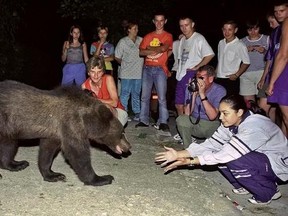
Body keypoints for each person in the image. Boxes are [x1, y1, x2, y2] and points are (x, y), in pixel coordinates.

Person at [155, 94, 288, 205]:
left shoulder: (254, 126)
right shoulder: (231, 123)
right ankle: (244, 185)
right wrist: (177, 154)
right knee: (218, 151)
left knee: (231, 157)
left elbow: (227, 154)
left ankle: (268, 191)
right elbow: (211, 144)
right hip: (261, 159)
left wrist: (189, 161)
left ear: (240, 112)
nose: (220, 118)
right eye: (220, 113)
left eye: (225, 113)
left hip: (279, 165)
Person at [135, 11, 173, 134]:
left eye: (161, 20)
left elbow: (163, 48)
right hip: (147, 68)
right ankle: (143, 120)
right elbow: (140, 52)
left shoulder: (168, 36)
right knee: (144, 96)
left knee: (162, 97)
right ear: (153, 21)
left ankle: (163, 122)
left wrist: (149, 49)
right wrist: (155, 49)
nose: (159, 23)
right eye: (156, 20)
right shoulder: (148, 36)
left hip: (160, 69)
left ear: (165, 21)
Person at [175, 65, 226, 148]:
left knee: (214, 148)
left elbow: (212, 116)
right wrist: (193, 96)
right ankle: (188, 149)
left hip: (211, 125)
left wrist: (202, 94)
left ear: (210, 79)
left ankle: (212, 147)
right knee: (181, 119)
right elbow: (187, 114)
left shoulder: (219, 90)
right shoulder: (192, 87)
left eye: (201, 78)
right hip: (195, 122)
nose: (198, 81)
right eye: (197, 78)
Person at [175, 16, 215, 116]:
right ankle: (181, 126)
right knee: (178, 104)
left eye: (186, 25)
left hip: (191, 73)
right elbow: (181, 58)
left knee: (187, 104)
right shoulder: (183, 40)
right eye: (181, 26)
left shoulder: (198, 38)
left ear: (192, 25)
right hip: (181, 74)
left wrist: (197, 67)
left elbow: (210, 54)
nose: (184, 28)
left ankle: (186, 128)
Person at [81, 56, 128, 126]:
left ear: (103, 72)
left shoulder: (108, 79)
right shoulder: (84, 86)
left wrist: (94, 100)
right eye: (93, 72)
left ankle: (111, 129)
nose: (96, 75)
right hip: (97, 116)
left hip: (118, 113)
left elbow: (114, 103)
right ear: (88, 73)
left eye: (99, 72)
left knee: (105, 107)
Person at [266, 1, 288, 137]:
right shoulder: (276, 31)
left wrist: (272, 81)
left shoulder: (286, 23)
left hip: (284, 73)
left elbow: (283, 55)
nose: (278, 14)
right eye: (276, 12)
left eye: (282, 11)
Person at [115, 22, 144, 121]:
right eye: (134, 28)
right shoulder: (123, 41)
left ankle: (137, 113)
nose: (136, 30)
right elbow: (117, 56)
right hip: (126, 72)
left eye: (137, 28)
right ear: (129, 30)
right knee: (125, 93)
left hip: (138, 72)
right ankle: (123, 113)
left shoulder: (141, 40)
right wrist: (124, 63)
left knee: (136, 93)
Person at [215, 20, 250, 96]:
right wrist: (215, 72)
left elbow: (246, 62)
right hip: (219, 78)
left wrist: (236, 75)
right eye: (225, 29)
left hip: (230, 79)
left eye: (230, 30)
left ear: (235, 30)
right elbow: (220, 59)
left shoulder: (240, 45)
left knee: (230, 104)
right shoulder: (221, 43)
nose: (226, 32)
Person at [257, 12, 280, 122]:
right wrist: (263, 78)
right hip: (270, 75)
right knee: (263, 110)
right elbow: (269, 59)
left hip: (282, 77)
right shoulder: (274, 34)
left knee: (278, 112)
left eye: (272, 22)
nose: (270, 25)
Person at [240, 19, 269, 104]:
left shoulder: (266, 39)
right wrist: (244, 51)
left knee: (263, 103)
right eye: (250, 29)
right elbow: (236, 59)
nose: (253, 32)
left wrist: (264, 51)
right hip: (245, 74)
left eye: (255, 29)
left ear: (259, 28)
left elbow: (273, 56)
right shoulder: (242, 41)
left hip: (262, 73)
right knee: (249, 103)